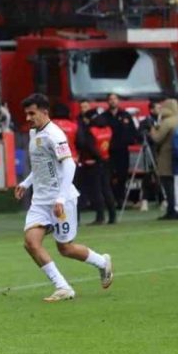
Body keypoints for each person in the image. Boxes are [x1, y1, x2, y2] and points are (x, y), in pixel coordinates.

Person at [14, 94, 114, 302]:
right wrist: (26, 183)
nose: (28, 118)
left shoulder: (55, 134)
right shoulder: (34, 133)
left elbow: (69, 164)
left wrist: (60, 198)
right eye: (26, 114)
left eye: (32, 113)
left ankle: (102, 262)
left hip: (60, 200)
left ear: (44, 112)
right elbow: (41, 166)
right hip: (40, 201)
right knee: (31, 242)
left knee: (65, 248)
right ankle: (62, 286)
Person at [77, 108, 115, 225]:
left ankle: (100, 217)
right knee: (107, 188)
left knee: (96, 190)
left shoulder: (91, 131)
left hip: (94, 162)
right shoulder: (108, 129)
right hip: (107, 160)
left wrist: (96, 157)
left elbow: (89, 146)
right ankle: (112, 216)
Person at [99, 93, 137, 207]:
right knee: (109, 175)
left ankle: (121, 199)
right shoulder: (103, 116)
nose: (113, 101)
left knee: (122, 174)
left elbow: (132, 131)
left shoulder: (125, 115)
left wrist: (130, 140)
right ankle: (110, 200)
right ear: (107, 101)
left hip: (122, 150)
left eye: (115, 99)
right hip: (108, 151)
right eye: (110, 99)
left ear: (118, 101)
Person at [150, 98, 178, 219]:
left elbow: (157, 138)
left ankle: (171, 210)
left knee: (168, 185)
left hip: (166, 155)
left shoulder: (167, 122)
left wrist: (152, 129)